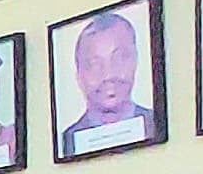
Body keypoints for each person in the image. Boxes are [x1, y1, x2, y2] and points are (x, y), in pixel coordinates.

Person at [59, 10, 160, 157]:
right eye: (94, 64)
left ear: (135, 61)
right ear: (79, 75)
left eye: (119, 58)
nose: (108, 75)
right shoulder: (66, 142)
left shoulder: (155, 123)